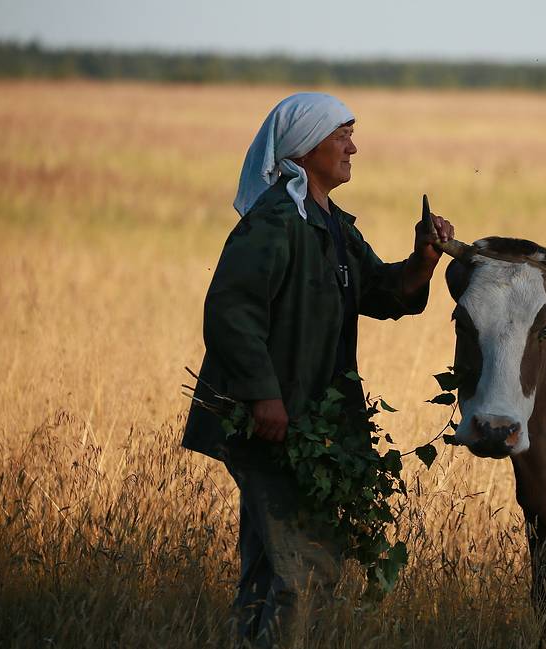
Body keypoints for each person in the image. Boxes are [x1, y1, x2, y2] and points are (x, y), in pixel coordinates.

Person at [182, 92, 454, 648]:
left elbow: (382, 291)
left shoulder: (330, 225)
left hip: (310, 426)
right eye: (342, 136)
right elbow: (231, 314)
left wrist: (424, 259)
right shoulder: (276, 222)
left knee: (265, 572)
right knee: (308, 572)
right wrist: (264, 397)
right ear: (305, 149)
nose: (353, 146)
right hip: (271, 426)